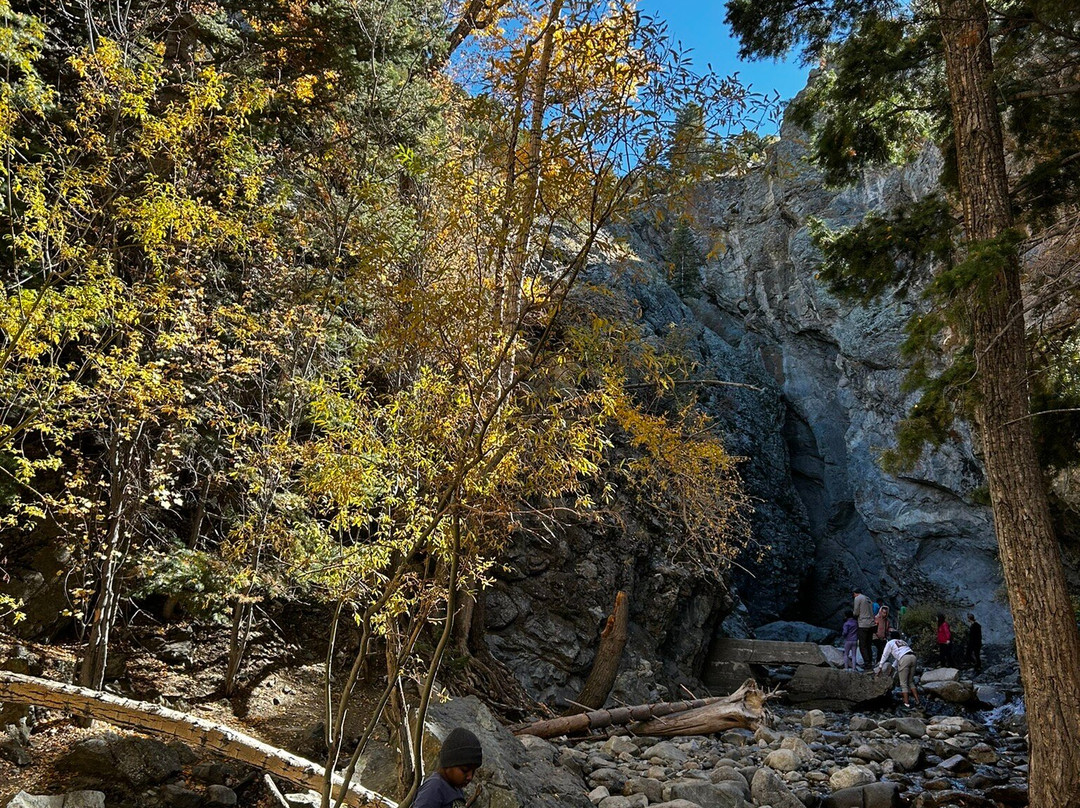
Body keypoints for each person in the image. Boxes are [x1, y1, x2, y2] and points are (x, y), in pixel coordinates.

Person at [414, 727, 483, 808]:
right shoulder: (434, 788)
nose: (470, 777)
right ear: (449, 764)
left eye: (473, 771)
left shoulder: (455, 788)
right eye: (465, 770)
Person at [875, 631, 921, 708]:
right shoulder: (903, 642)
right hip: (913, 657)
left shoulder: (890, 643)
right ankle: (917, 701)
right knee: (910, 681)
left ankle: (906, 704)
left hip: (904, 659)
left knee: (903, 683)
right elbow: (899, 656)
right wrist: (893, 667)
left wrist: (880, 666)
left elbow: (885, 655)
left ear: (891, 637)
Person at [853, 587, 875, 670]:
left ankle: (867, 663)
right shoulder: (868, 598)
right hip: (871, 624)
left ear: (855, 593)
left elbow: (856, 612)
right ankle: (871, 661)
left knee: (862, 645)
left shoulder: (858, 598)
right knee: (869, 644)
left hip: (863, 624)